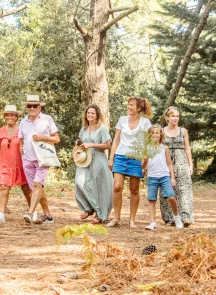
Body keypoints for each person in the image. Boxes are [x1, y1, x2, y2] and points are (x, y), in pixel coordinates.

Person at [107, 96, 152, 228]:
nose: (129, 107)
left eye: (132, 105)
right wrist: (111, 158)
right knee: (117, 187)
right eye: (128, 104)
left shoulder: (145, 123)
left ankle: (132, 220)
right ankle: (116, 218)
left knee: (134, 189)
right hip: (120, 156)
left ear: (138, 108)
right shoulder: (122, 120)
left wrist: (145, 161)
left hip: (136, 159)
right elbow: (116, 140)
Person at [18, 95, 60, 225]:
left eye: (34, 106)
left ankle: (30, 213)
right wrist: (21, 148)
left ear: (39, 106)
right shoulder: (23, 122)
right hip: (28, 159)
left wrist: (42, 137)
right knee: (37, 188)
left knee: (37, 185)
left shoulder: (47, 119)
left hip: (43, 158)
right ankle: (48, 215)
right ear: (26, 107)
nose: (32, 108)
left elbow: (57, 139)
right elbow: (21, 139)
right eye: (29, 106)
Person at [0, 105, 33, 223]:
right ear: (4, 117)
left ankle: (33, 212)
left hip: (21, 164)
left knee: (26, 189)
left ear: (17, 117)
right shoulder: (1, 131)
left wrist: (25, 150)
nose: (9, 117)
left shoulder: (22, 129)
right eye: (7, 115)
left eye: (12, 115)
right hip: (5, 165)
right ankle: (0, 214)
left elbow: (29, 146)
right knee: (3, 188)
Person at [73, 104, 113, 224]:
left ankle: (99, 214)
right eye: (88, 113)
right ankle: (88, 207)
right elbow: (80, 141)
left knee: (98, 186)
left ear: (97, 116)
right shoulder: (83, 128)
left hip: (98, 159)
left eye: (92, 113)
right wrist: (79, 144)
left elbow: (107, 145)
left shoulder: (102, 129)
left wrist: (91, 145)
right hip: (85, 159)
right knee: (80, 181)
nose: (90, 115)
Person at [142, 125, 184, 230]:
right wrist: (145, 162)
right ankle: (152, 223)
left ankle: (177, 217)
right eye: (153, 133)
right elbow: (143, 166)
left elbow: (169, 164)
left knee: (171, 197)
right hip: (152, 177)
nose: (155, 135)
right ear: (149, 135)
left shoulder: (164, 148)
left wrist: (172, 178)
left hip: (164, 176)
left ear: (160, 134)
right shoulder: (146, 149)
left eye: (157, 133)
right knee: (151, 200)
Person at [159, 106, 194, 226]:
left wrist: (190, 165)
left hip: (181, 162)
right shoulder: (161, 131)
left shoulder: (183, 131)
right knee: (167, 188)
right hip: (165, 163)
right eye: (173, 116)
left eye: (177, 116)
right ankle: (170, 217)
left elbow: (188, 149)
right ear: (167, 117)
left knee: (184, 189)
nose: (175, 118)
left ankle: (185, 216)